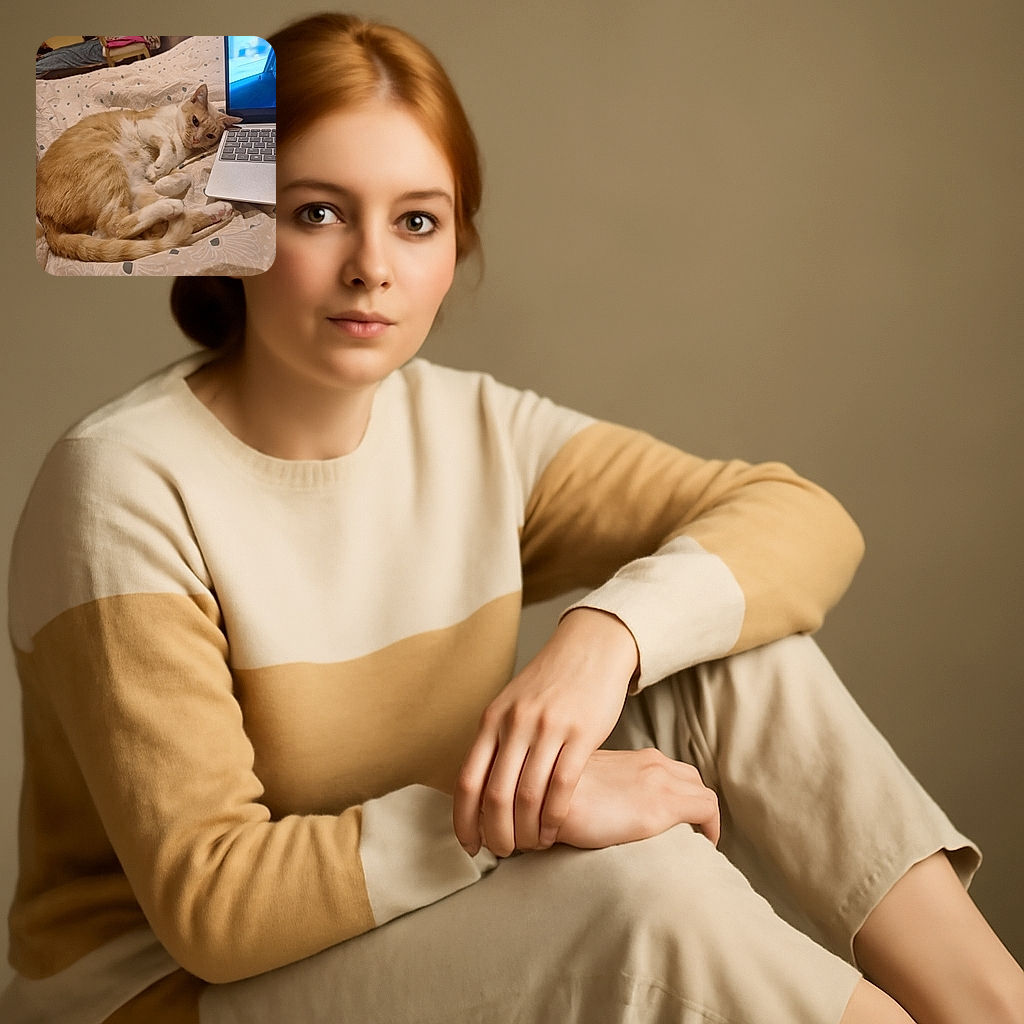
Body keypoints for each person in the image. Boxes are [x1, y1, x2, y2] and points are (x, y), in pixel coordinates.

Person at [4, 12, 1023, 1024]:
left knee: (729, 645)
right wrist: (500, 817)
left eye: (416, 220)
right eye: (317, 213)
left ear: (457, 243)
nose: (373, 266)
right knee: (644, 893)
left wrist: (603, 637)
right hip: (169, 995)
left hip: (401, 909)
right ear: (236, 224)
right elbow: (212, 907)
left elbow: (796, 519)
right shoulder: (123, 484)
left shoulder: (477, 430)